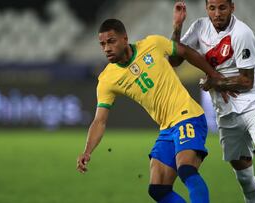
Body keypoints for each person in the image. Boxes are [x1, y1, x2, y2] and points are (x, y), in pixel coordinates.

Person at [77, 18, 224, 203]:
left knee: (186, 169)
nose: (106, 48)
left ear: (124, 38)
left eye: (111, 41)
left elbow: (184, 51)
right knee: (158, 189)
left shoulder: (152, 44)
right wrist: (87, 151)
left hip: (188, 116)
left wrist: (213, 74)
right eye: (102, 44)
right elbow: (100, 121)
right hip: (166, 128)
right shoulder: (107, 79)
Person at [170, 0, 255, 203]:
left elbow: (246, 80)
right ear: (206, 9)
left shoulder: (242, 33)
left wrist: (215, 83)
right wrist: (177, 26)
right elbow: (174, 60)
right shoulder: (200, 27)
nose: (217, 13)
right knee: (245, 178)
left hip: (252, 105)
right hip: (226, 114)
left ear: (232, 8)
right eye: (212, 8)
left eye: (222, 8)